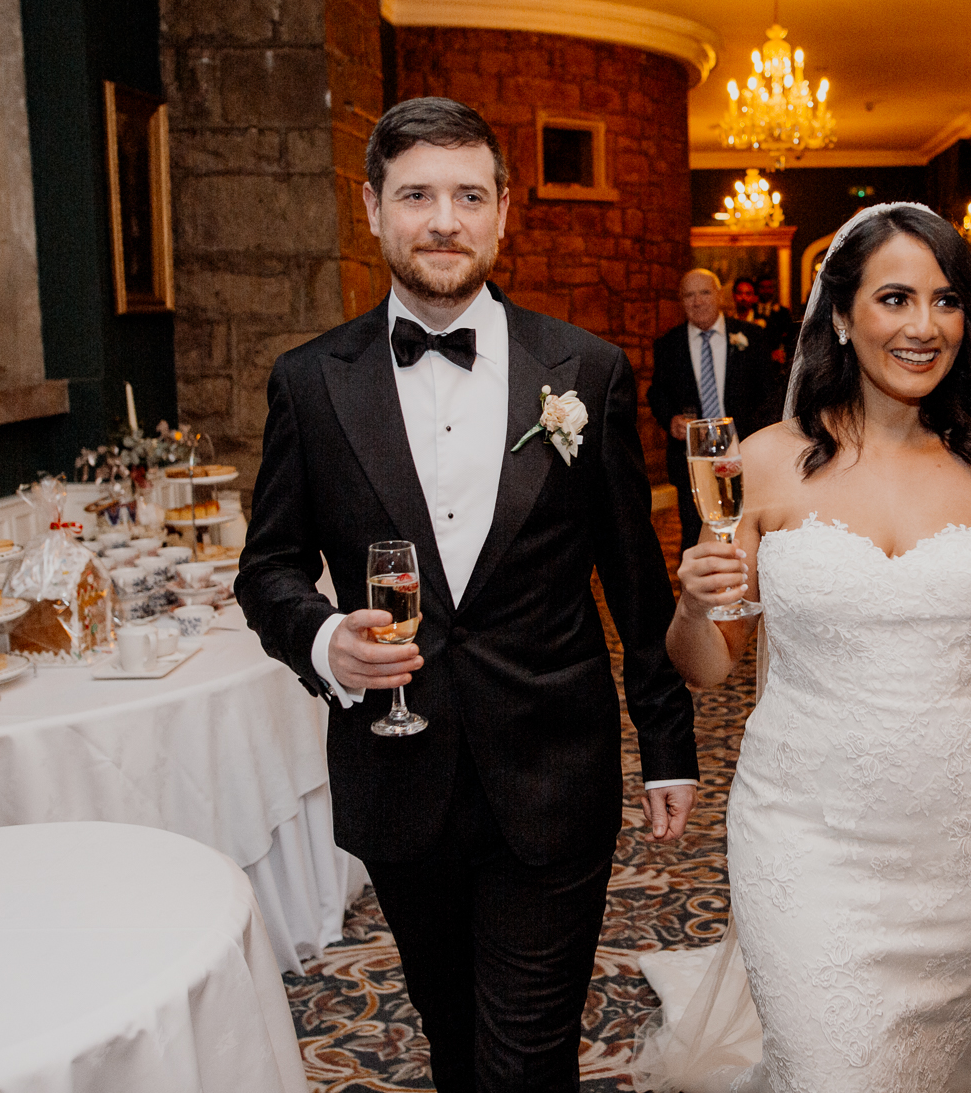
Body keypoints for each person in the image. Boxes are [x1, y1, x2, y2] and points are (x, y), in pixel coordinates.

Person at [632, 202, 971, 1092]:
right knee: (826, 1064)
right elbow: (707, 664)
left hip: (963, 835)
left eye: (946, 301)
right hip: (803, 828)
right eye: (895, 298)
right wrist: (691, 605)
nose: (924, 326)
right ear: (840, 315)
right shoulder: (760, 462)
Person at [235, 96, 700, 1093]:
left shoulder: (589, 371)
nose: (443, 218)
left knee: (523, 1059)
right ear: (371, 208)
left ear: (501, 214)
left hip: (553, 770)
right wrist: (325, 641)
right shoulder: (310, 382)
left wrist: (667, 746)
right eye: (416, 194)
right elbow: (266, 566)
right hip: (398, 771)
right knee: (455, 1039)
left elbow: (635, 575)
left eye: (467, 195)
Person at [648, 269, 776, 550]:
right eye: (689, 295)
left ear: (719, 295)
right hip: (692, 462)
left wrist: (759, 444)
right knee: (696, 536)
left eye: (704, 292)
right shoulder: (668, 345)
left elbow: (769, 395)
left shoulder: (751, 338)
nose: (697, 301)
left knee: (751, 531)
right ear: (681, 302)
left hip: (746, 455)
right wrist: (671, 419)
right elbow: (657, 393)